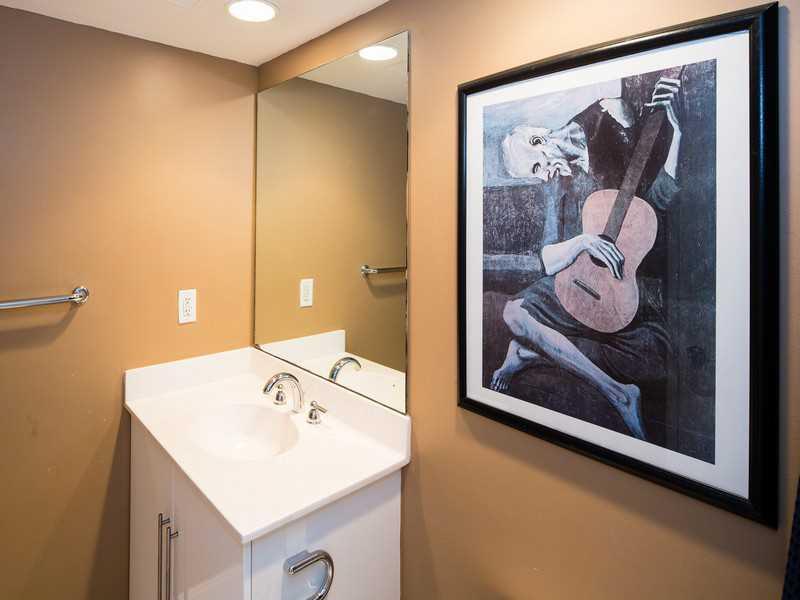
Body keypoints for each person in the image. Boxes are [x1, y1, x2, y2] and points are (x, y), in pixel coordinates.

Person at [489, 76, 683, 440]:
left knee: (655, 358)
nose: (541, 177)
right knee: (513, 312)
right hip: (576, 284)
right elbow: (547, 258)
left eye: (535, 167)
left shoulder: (605, 119)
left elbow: (654, 202)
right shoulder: (557, 181)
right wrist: (582, 242)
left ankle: (533, 353)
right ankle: (618, 393)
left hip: (620, 287)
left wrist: (679, 136)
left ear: (538, 142)